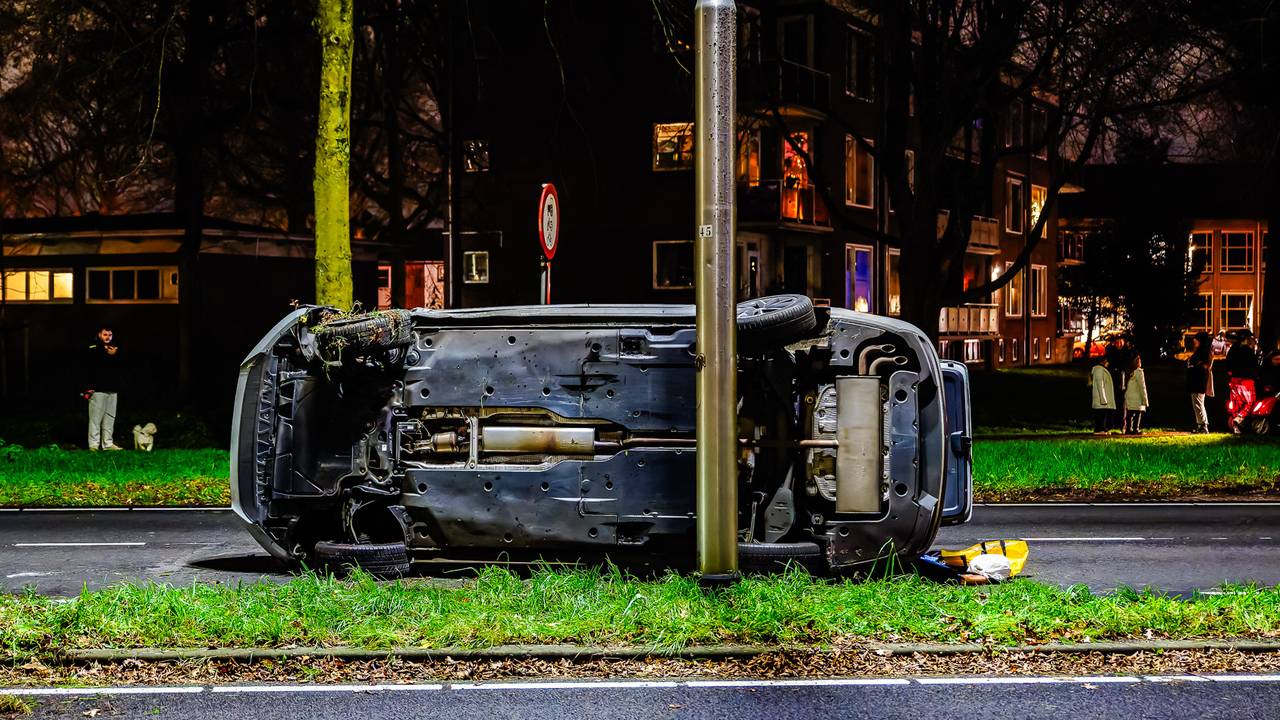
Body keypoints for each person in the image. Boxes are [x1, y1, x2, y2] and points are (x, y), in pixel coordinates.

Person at [85, 326, 124, 451]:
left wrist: (114, 354)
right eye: (105, 334)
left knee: (110, 417)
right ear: (99, 335)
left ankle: (107, 444)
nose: (108, 337)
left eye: (110, 335)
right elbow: (90, 365)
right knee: (95, 418)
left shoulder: (115, 350)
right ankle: (93, 445)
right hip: (98, 389)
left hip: (113, 388)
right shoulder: (94, 347)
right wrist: (88, 387)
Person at [1225, 330, 1260, 434]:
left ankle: (1236, 427)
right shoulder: (1248, 351)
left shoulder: (1232, 349)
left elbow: (1228, 365)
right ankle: (1239, 418)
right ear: (1246, 338)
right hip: (1246, 380)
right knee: (1250, 403)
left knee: (1236, 404)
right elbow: (1255, 365)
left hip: (1234, 380)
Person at [1186, 331, 1215, 434]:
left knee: (1198, 402)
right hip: (1196, 380)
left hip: (1199, 380)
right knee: (1197, 403)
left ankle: (1203, 425)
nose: (1195, 342)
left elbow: (1203, 366)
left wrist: (1192, 364)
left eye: (1196, 340)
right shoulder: (1202, 351)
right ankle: (1200, 425)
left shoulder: (1203, 352)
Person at [1104, 336, 1132, 430]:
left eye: (1121, 342)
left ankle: (1122, 425)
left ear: (1124, 342)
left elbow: (1128, 366)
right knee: (1111, 403)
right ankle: (1109, 424)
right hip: (1113, 381)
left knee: (1122, 404)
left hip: (1124, 381)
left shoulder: (1127, 353)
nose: (1119, 344)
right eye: (1117, 342)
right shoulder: (1111, 353)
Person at [1123, 355, 1149, 435]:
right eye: (1139, 361)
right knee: (1138, 413)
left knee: (1130, 413)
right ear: (1137, 363)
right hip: (1137, 397)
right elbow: (1142, 386)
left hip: (1129, 396)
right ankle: (1135, 429)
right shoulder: (1139, 372)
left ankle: (1128, 429)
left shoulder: (1130, 372)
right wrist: (1145, 400)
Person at [1089, 356, 1116, 435]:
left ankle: (1102, 429)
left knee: (1102, 414)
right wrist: (1103, 398)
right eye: (1107, 361)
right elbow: (1100, 384)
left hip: (1102, 397)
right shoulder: (1099, 370)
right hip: (1100, 398)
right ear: (1103, 362)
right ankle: (1098, 429)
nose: (1108, 363)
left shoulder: (1101, 370)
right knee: (1100, 414)